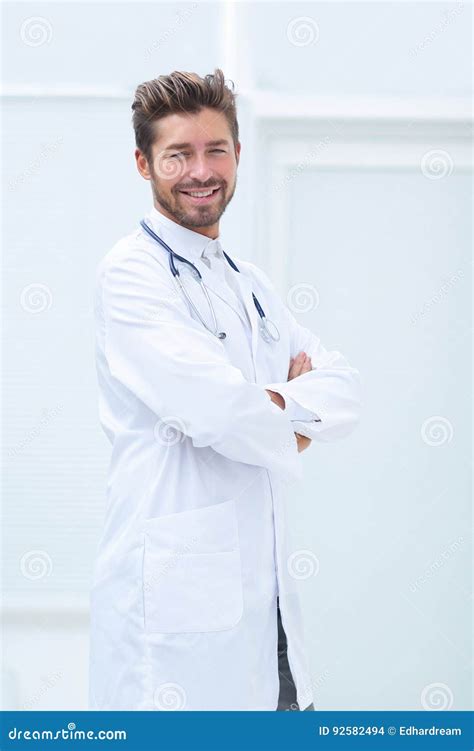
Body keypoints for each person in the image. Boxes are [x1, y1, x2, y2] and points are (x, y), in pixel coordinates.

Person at [89, 68, 361, 711]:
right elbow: (214, 410)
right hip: (178, 617)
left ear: (238, 154)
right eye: (177, 154)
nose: (200, 171)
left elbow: (345, 388)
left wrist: (269, 410)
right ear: (143, 163)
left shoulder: (249, 281)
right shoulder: (131, 274)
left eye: (215, 150)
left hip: (264, 610)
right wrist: (295, 421)